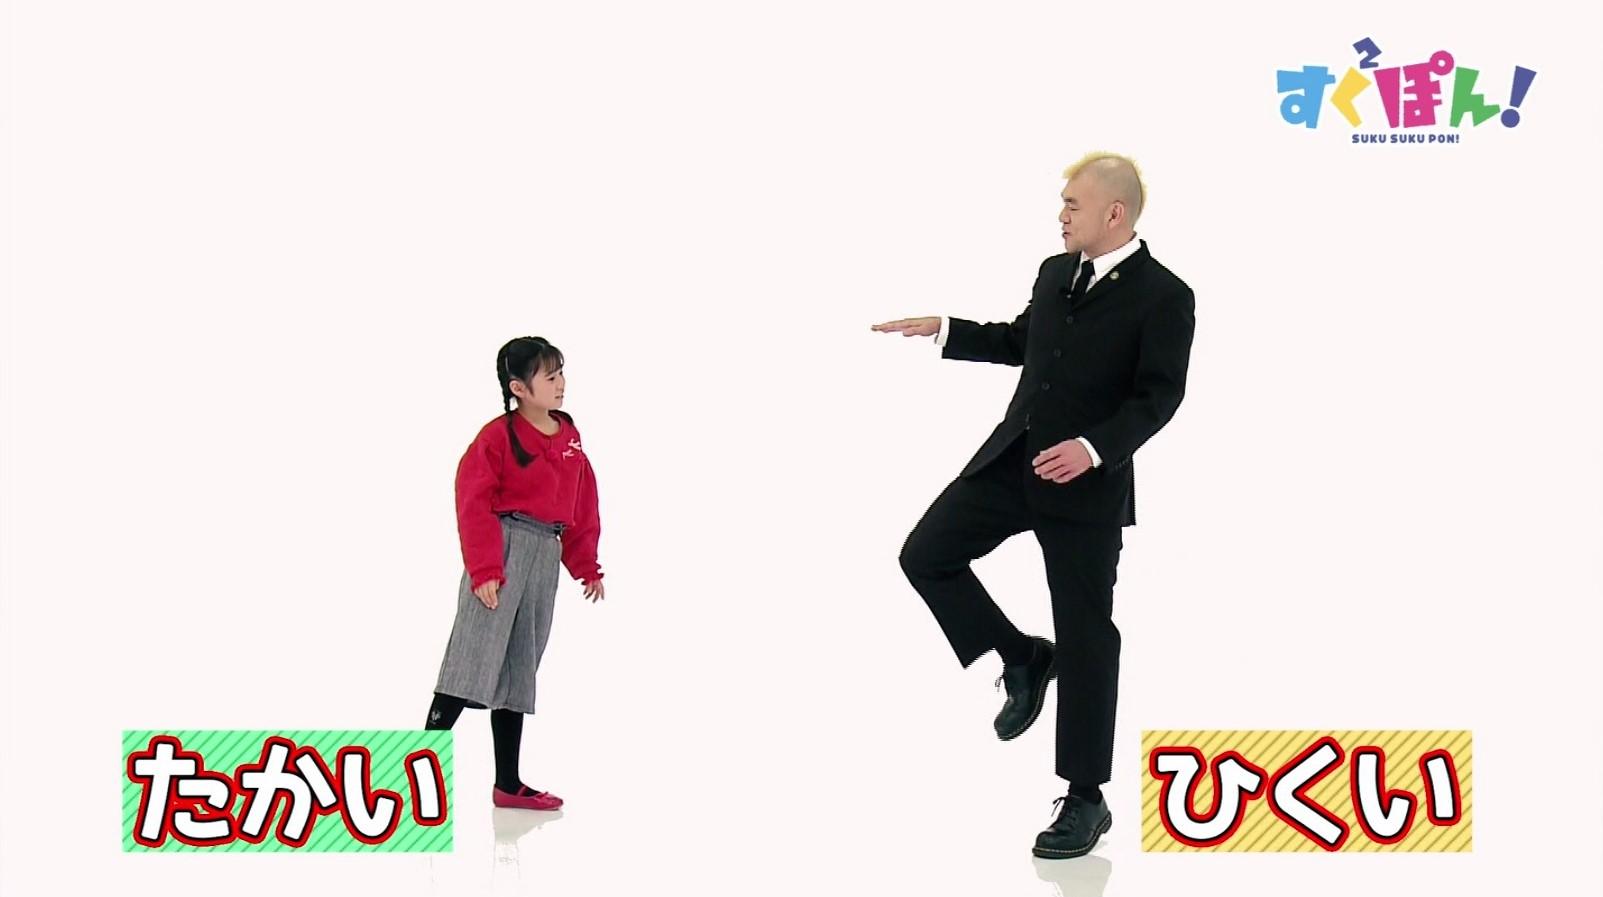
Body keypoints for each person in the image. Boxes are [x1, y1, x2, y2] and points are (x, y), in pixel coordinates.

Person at [872, 153, 1195, 859]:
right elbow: (1023, 342)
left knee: (1086, 637)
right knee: (925, 555)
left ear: (1114, 213)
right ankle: (1021, 656)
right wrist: (947, 328)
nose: (1061, 215)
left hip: (1086, 487)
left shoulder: (1165, 294)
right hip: (1013, 462)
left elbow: (1159, 396)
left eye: (1072, 204)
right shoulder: (1054, 273)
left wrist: (1093, 448)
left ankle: (1085, 798)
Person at [423, 335, 605, 811]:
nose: (561, 384)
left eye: (561, 374)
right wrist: (485, 567)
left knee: (518, 666)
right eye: (550, 376)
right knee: (471, 659)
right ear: (518, 388)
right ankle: (412, 774)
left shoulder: (569, 438)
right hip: (502, 548)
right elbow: (473, 500)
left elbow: (583, 500)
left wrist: (584, 563)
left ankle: (508, 782)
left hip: (545, 551)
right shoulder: (497, 438)